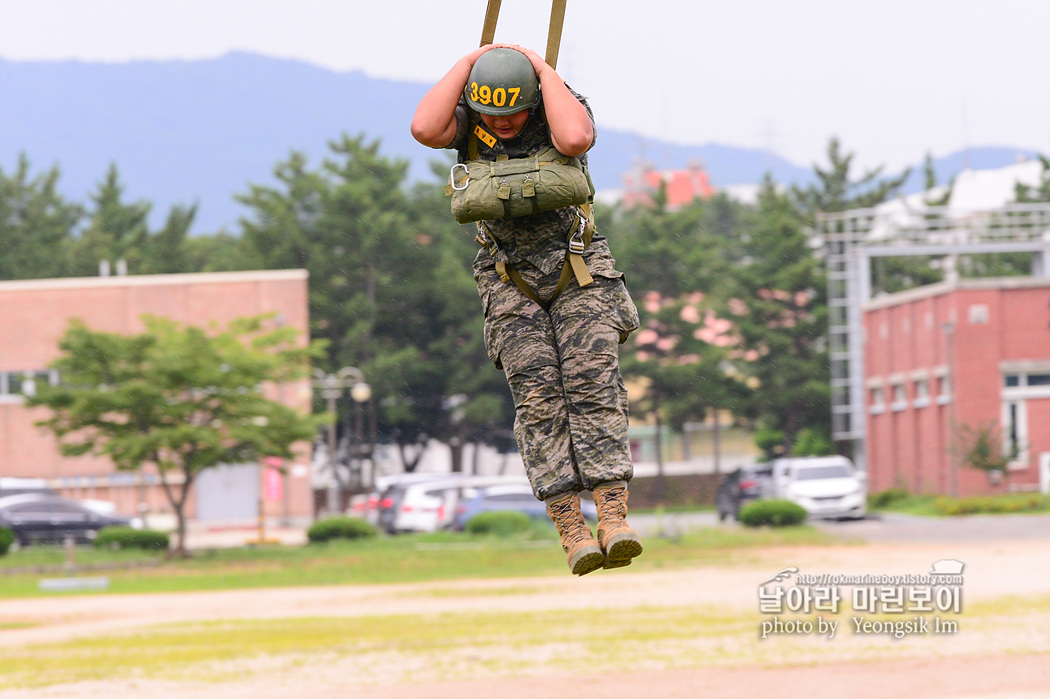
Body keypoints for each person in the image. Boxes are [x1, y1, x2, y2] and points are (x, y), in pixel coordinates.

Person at [411, 44, 642, 576]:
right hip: (507, 277)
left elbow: (575, 139)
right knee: (538, 398)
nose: (507, 121)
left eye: (515, 109)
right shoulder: (468, 123)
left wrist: (541, 70)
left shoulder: (559, 106)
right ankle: (571, 530)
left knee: (591, 383)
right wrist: (470, 62)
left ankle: (613, 515)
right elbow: (425, 128)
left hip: (577, 268)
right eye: (495, 112)